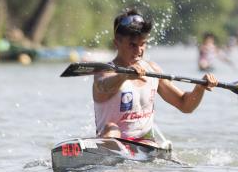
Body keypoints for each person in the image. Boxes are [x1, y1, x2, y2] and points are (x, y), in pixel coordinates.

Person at [93, 8, 218, 144]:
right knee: (111, 128)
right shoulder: (105, 71)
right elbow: (103, 86)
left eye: (143, 44)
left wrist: (199, 88)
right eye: (132, 45)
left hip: (144, 144)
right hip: (111, 141)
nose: (139, 51)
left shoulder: (152, 70)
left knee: (146, 141)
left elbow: (185, 105)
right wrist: (124, 75)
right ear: (116, 42)